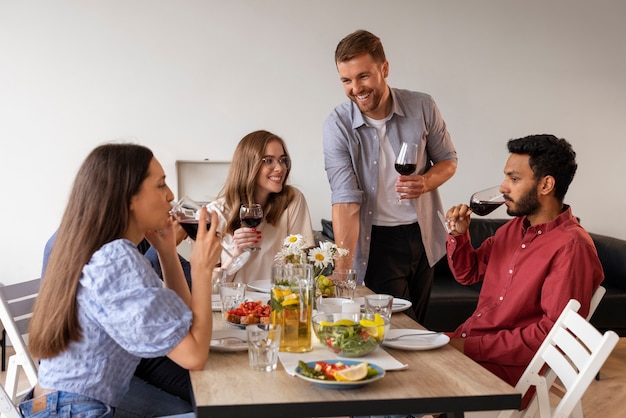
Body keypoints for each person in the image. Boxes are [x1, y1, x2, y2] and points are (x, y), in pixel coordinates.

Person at [22, 143, 221, 416]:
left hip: (58, 406)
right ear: (129, 197)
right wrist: (202, 269)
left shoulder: (101, 249)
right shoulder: (115, 258)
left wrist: (166, 252)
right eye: (161, 185)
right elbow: (194, 356)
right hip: (75, 409)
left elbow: (183, 329)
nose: (171, 195)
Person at [443, 134, 604, 406]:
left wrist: (466, 346)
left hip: (504, 373)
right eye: (505, 177)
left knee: (396, 391)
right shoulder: (513, 229)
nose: (503, 187)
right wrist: (459, 236)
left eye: (514, 179)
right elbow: (468, 274)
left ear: (546, 185)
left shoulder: (572, 247)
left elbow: (552, 336)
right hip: (469, 349)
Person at [323, 29, 457, 322]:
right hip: (377, 242)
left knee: (418, 326)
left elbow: (448, 160)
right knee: (393, 328)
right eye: (346, 80)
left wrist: (425, 182)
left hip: (424, 236)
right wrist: (342, 272)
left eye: (363, 76)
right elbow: (345, 199)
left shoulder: (422, 106)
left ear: (384, 69)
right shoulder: (338, 125)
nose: (355, 88)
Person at [217, 129, 315, 283]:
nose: (280, 168)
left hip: (278, 300)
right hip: (235, 303)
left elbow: (298, 267)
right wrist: (236, 253)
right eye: (268, 160)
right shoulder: (216, 213)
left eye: (282, 160)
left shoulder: (292, 200)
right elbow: (211, 286)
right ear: (248, 165)